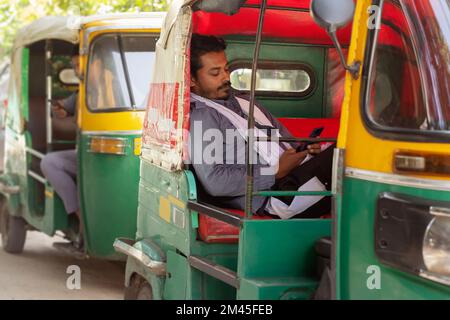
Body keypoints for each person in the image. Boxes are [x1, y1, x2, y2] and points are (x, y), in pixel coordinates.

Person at [188, 34, 334, 219]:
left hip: (297, 176)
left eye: (226, 69)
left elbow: (286, 143)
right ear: (192, 79)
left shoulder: (246, 102)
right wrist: (275, 171)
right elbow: (215, 182)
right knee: (352, 158)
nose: (226, 77)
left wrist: (305, 151)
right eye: (215, 73)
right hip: (277, 197)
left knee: (344, 153)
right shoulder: (202, 116)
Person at [40, 46, 83, 249]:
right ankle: (78, 213)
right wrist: (58, 108)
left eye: (78, 64)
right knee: (49, 162)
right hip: (82, 154)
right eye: (73, 66)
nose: (76, 70)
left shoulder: (109, 85)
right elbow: (63, 112)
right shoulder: (80, 92)